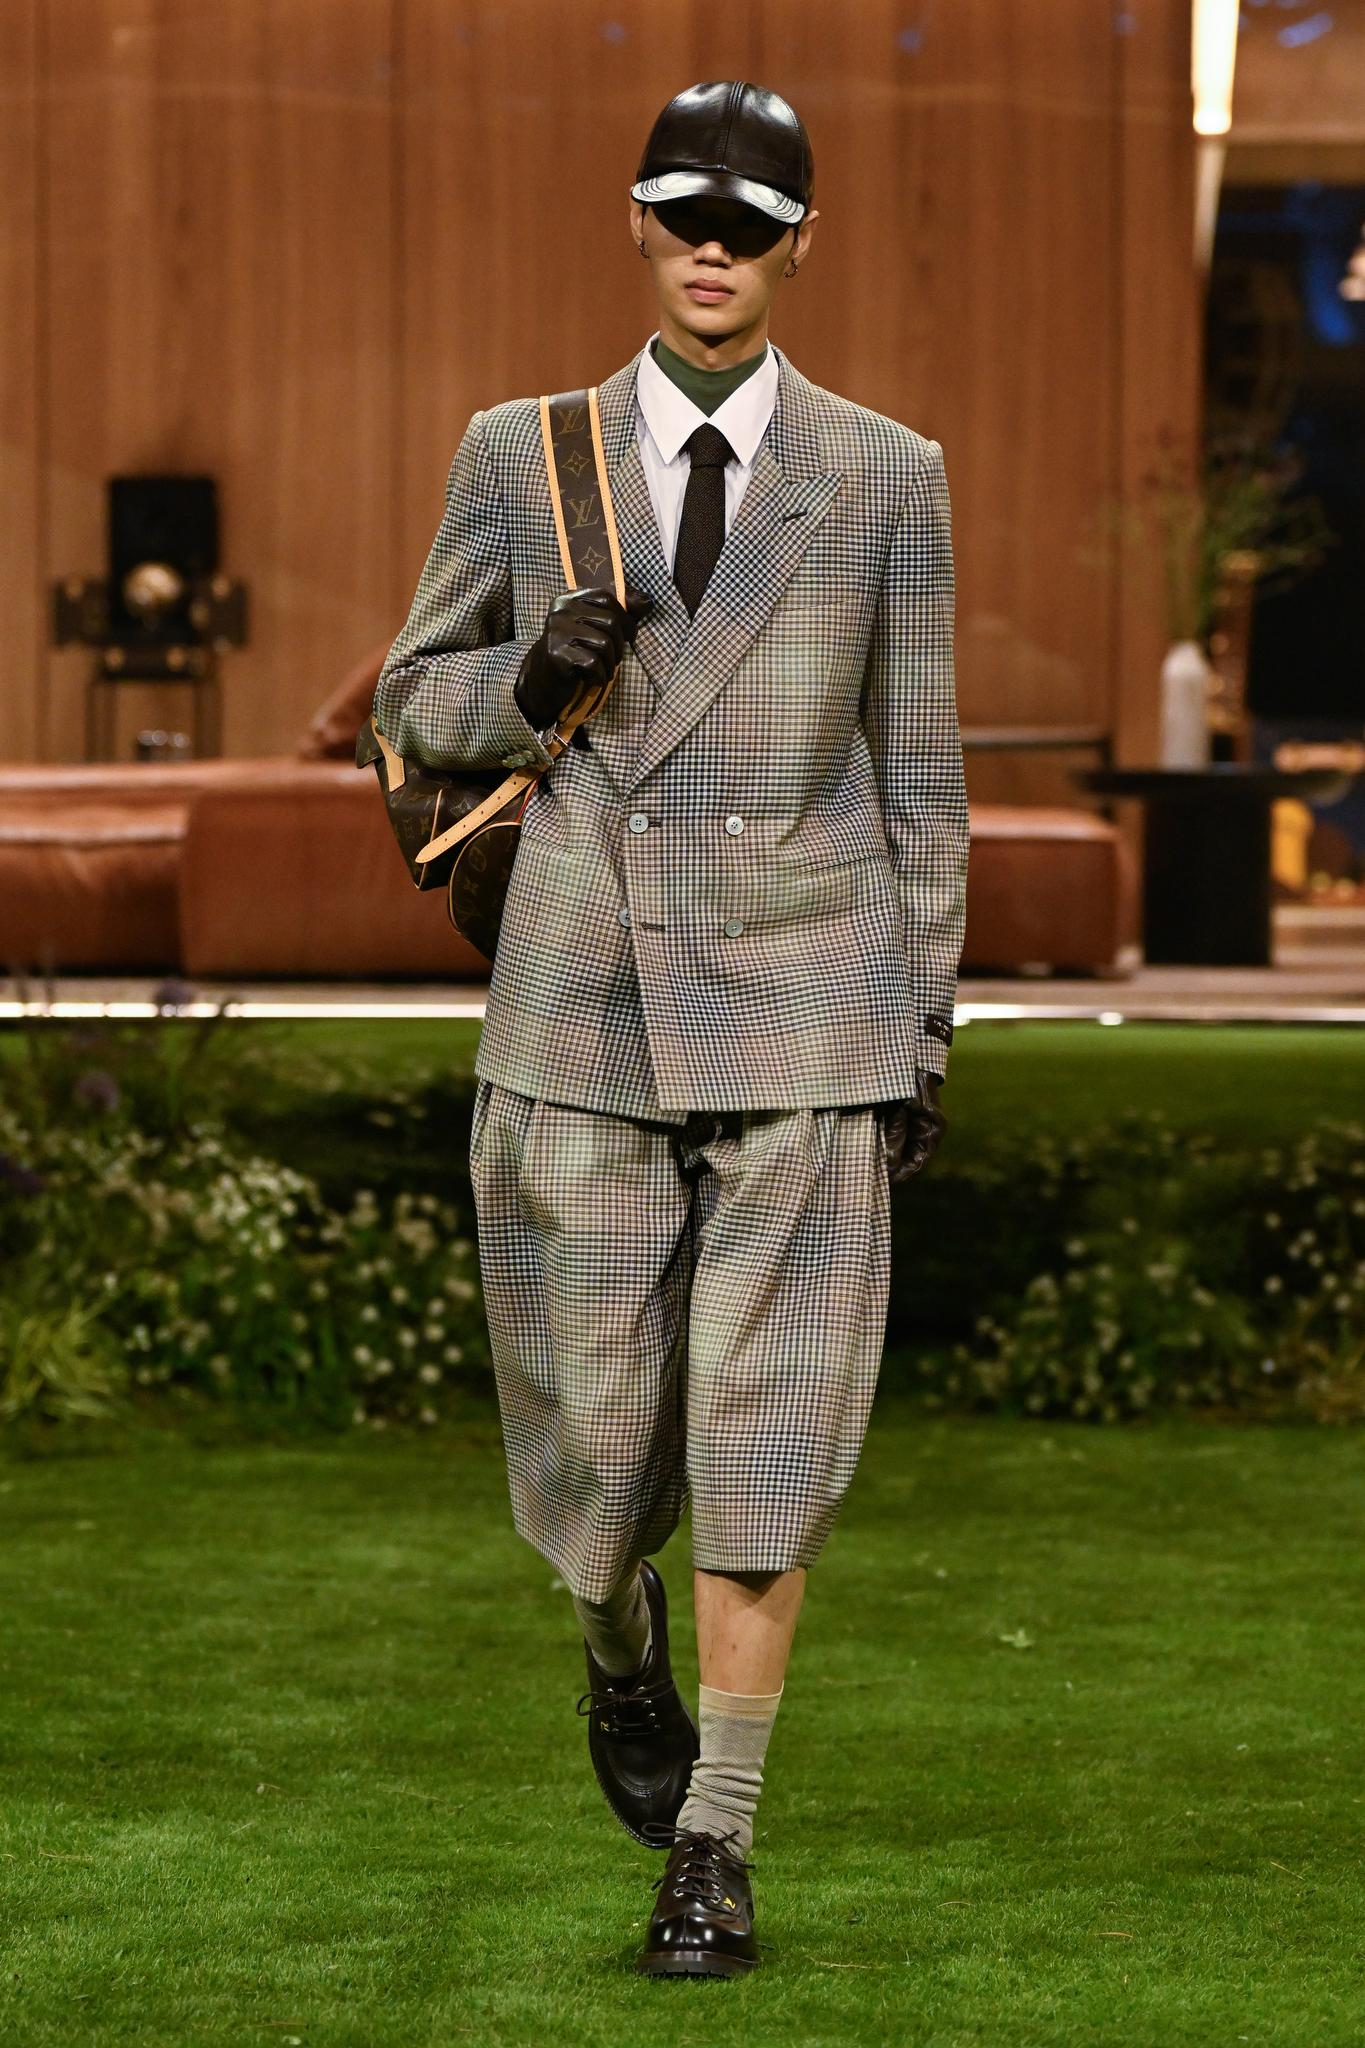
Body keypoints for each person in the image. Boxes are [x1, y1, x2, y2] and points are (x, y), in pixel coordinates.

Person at [372, 78, 968, 1979]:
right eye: (684, 212)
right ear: (636, 223)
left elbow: (920, 783)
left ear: (803, 243)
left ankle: (715, 1838)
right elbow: (404, 707)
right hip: (580, 1004)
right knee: (594, 1437)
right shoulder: (520, 456)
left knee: (768, 1435)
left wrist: (923, 1029)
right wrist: (515, 678)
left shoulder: (885, 475)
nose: (714, 246)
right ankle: (614, 1652)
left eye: (751, 220)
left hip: (810, 1006)